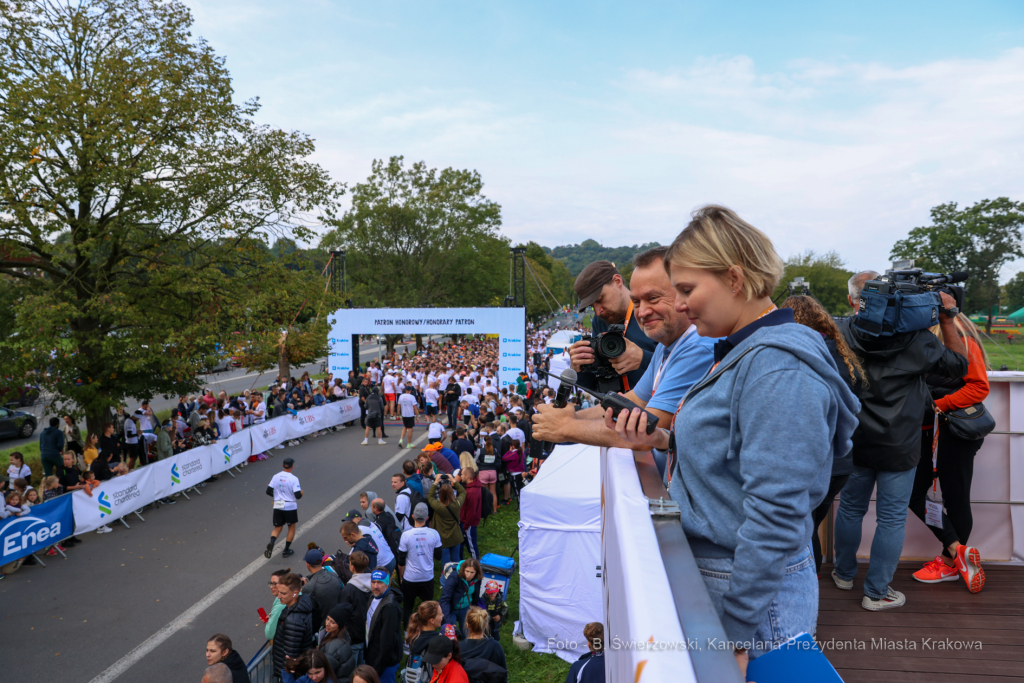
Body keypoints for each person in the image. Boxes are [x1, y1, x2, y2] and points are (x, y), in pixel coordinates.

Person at [611, 206, 860, 673]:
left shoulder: (777, 368)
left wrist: (736, 633)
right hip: (736, 588)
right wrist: (670, 439)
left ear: (734, 278)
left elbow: (777, 509)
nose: (680, 305)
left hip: (754, 608)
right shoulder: (748, 352)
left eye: (687, 290)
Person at [834, 272, 969, 610]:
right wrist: (947, 317)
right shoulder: (916, 339)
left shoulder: (842, 332)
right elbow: (958, 366)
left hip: (855, 436)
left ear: (856, 301)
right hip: (900, 441)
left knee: (850, 507)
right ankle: (876, 593)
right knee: (891, 518)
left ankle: (843, 573)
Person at [533, 247, 717, 479]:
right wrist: (573, 415)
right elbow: (631, 401)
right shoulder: (665, 344)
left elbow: (645, 428)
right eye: (637, 302)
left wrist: (566, 427)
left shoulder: (697, 345)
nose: (642, 312)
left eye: (653, 298)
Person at [781, 294, 867, 574]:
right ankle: (813, 584)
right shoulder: (843, 355)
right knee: (812, 525)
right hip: (840, 463)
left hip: (809, 462)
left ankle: (806, 587)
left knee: (803, 532)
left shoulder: (793, 355)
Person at [908, 313, 989, 592]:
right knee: (917, 494)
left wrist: (937, 404)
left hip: (953, 434)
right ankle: (956, 551)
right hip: (928, 433)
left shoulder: (961, 341)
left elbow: (980, 387)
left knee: (955, 499)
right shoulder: (929, 338)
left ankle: (948, 562)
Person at [569, 260, 658, 394]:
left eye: (600, 299)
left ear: (617, 281)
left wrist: (643, 359)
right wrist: (580, 368)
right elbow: (594, 385)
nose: (598, 311)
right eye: (592, 306)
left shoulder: (652, 313)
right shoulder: (600, 321)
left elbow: (685, 368)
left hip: (657, 407)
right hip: (617, 410)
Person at [398, 502, 443, 626]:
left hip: (410, 578)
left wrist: (401, 577)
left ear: (412, 516)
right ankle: (426, 631)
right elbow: (439, 556)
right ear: (427, 518)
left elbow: (401, 561)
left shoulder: (406, 535)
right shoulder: (434, 534)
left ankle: (407, 637)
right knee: (428, 608)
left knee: (408, 606)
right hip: (427, 577)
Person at [272, 573, 316, 680]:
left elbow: (290, 656)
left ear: (295, 594)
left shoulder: (294, 620)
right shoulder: (300, 605)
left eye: (283, 593)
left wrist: (285, 676)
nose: (278, 596)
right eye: (279, 592)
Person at [364, 568, 404, 683]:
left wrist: (377, 668)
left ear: (388, 583)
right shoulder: (373, 596)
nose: (375, 586)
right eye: (373, 582)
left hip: (384, 662)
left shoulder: (389, 608)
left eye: (380, 582)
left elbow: (388, 642)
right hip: (373, 654)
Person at [338, 551, 373, 666]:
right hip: (368, 633)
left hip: (353, 636)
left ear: (352, 567)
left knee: (353, 670)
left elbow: (343, 613)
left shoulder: (349, 589)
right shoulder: (373, 584)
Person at [266, 458, 303, 559]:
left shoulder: (275, 476)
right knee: (291, 528)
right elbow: (298, 495)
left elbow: (268, 491)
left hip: (278, 505)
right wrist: (302, 493)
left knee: (277, 528)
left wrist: (278, 496)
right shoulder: (294, 478)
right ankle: (286, 550)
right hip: (290, 506)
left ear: (283, 465)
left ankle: (272, 542)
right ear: (292, 466)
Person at [428, 475, 465, 565]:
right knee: (456, 559)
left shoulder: (438, 506)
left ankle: (446, 577)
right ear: (452, 493)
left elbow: (430, 496)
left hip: (442, 538)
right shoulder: (457, 504)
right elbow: (463, 492)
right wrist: (453, 480)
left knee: (445, 561)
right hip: (456, 536)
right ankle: (457, 576)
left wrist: (436, 482)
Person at [438, 558, 481, 637]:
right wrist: (448, 620)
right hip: (451, 608)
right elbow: (445, 599)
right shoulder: (454, 577)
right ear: (463, 569)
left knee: (467, 633)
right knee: (451, 634)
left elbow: (476, 595)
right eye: (467, 571)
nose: (469, 575)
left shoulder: (477, 579)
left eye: (472, 572)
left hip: (465, 608)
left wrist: (474, 609)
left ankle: (466, 648)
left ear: (476, 572)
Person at [304, 549, 342, 630]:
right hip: (340, 619)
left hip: (324, 627)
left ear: (308, 565)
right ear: (321, 561)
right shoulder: (333, 575)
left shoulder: (309, 587)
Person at [322, 604, 358, 683]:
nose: (327, 624)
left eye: (332, 622)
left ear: (339, 625)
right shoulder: (343, 636)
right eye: (327, 619)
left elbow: (324, 671)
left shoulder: (333, 647)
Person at [459, 468, 482, 559]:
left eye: (462, 475)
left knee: (471, 546)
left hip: (468, 524)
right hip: (465, 522)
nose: (460, 477)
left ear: (467, 477)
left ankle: (476, 566)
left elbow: (471, 512)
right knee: (461, 543)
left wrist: (466, 526)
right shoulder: (471, 486)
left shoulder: (472, 492)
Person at [266, 568, 292, 642]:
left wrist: (270, 622)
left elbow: (269, 634)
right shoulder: (295, 595)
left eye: (274, 584)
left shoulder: (281, 604)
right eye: (270, 583)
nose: (271, 587)